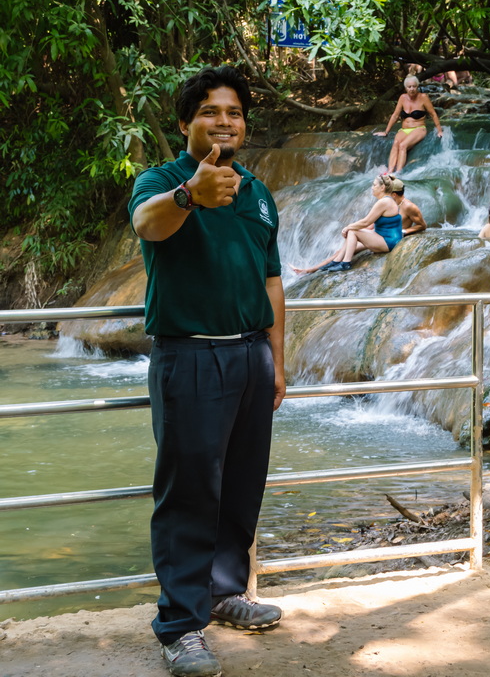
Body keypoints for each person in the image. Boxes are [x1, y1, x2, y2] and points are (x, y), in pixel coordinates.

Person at [128, 66, 285, 677]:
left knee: (242, 485)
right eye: (211, 112)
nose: (225, 121)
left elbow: (272, 280)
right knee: (188, 493)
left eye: (235, 112)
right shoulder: (163, 180)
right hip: (189, 354)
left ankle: (223, 593)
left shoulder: (258, 192)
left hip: (251, 354)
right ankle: (179, 625)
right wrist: (191, 194)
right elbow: (148, 225)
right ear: (186, 123)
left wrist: (277, 359)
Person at [289, 174, 403, 274]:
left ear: (382, 187)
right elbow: (368, 223)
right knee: (346, 246)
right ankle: (315, 268)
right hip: (384, 238)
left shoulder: (384, 202)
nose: (372, 188)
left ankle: (345, 263)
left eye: (374, 185)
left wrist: (348, 227)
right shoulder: (386, 201)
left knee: (353, 231)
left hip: (388, 242)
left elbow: (366, 221)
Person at [374, 75, 443, 173]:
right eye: (409, 87)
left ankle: (398, 173)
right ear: (405, 88)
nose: (412, 89)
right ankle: (389, 172)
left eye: (414, 86)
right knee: (396, 144)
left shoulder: (423, 97)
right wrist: (386, 131)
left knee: (403, 145)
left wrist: (439, 130)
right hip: (404, 129)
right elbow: (395, 115)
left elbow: (433, 114)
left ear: (417, 86)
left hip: (419, 128)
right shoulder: (402, 97)